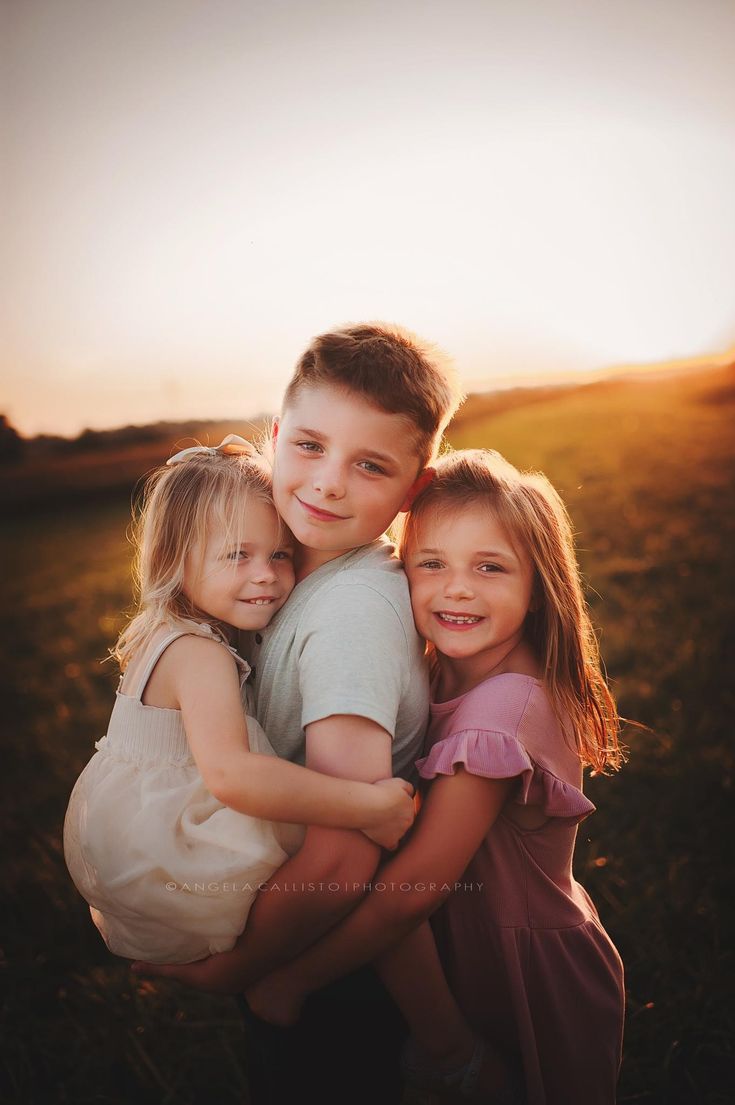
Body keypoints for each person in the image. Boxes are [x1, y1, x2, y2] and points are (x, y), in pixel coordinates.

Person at [133, 323, 465, 1104]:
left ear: (412, 490)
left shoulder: (347, 614)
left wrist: (239, 968)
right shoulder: (285, 576)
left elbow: (341, 855)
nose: (327, 484)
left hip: (326, 963)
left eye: (370, 465)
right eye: (310, 445)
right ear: (275, 437)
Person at [245, 448, 626, 1105]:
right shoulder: (444, 671)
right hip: (467, 953)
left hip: (520, 972)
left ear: (539, 585)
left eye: (489, 567)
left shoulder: (499, 716)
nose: (456, 588)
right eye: (431, 564)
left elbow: (408, 892)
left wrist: (293, 978)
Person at [63, 435, 416, 966]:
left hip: (140, 846)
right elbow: (232, 774)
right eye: (237, 555)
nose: (265, 575)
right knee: (368, 874)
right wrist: (371, 806)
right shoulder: (198, 654)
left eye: (279, 554)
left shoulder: (170, 632)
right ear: (174, 561)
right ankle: (443, 1035)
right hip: (176, 857)